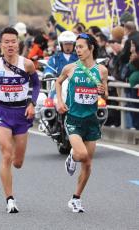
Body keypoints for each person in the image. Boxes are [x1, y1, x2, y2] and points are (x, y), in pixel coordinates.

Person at [0, 27, 40, 213]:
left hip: (22, 114)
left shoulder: (27, 64)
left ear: (18, 43)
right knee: (6, 155)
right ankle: (10, 200)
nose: (10, 45)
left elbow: (36, 84)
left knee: (18, 162)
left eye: (13, 41)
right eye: (6, 42)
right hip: (3, 112)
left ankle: (15, 159)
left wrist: (32, 103)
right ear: (1, 45)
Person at [55, 33, 108, 213]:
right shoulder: (70, 68)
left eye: (81, 47)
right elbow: (58, 82)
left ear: (91, 48)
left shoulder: (101, 70)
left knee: (88, 163)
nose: (77, 50)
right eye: (76, 47)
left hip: (91, 120)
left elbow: (105, 94)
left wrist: (102, 91)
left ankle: (76, 199)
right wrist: (60, 103)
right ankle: (72, 155)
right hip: (74, 119)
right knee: (82, 154)